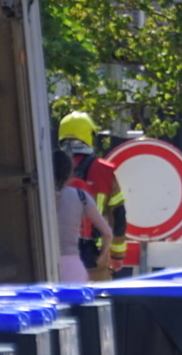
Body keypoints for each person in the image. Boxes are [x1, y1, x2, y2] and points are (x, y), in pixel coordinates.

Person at [57, 112, 127, 280]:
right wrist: (117, 256)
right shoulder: (104, 171)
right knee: (95, 302)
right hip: (94, 257)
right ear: (90, 136)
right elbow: (118, 216)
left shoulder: (50, 166)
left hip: (55, 254)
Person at [54, 149, 113, 283]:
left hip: (42, 262)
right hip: (71, 264)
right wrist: (101, 255)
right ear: (70, 172)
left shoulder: (38, 197)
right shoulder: (81, 197)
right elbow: (107, 233)